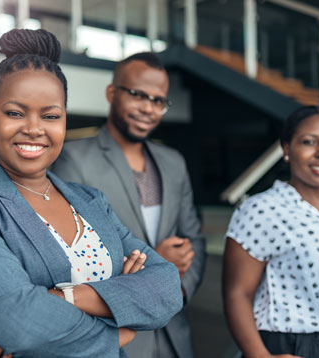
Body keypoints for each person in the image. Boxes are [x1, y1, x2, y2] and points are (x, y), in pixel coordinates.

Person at [0, 29, 183, 358]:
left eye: (50, 116)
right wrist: (119, 326)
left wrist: (60, 297)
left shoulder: (91, 201)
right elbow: (18, 322)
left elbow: (166, 285)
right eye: (15, 113)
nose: (34, 128)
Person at [52, 52, 206, 358]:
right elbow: (68, 253)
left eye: (158, 100)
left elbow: (195, 240)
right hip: (115, 334)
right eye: (138, 95)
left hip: (175, 333)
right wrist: (156, 267)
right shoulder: (73, 159)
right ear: (112, 93)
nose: (148, 108)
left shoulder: (173, 162)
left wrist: (175, 291)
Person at [222, 105, 319, 358]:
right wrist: (259, 356)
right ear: (287, 149)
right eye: (309, 142)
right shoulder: (261, 210)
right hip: (301, 347)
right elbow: (237, 294)